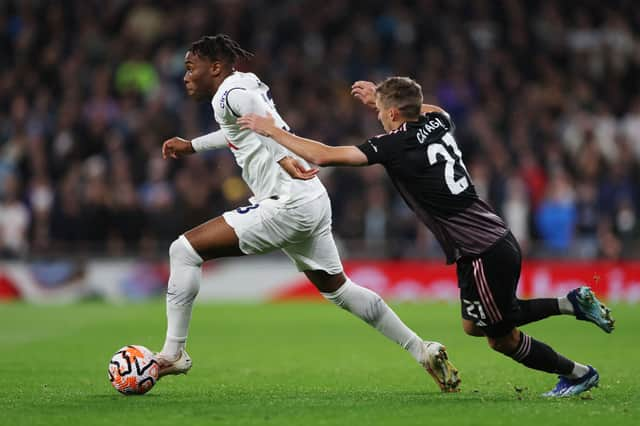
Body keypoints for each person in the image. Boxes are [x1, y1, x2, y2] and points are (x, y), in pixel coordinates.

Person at [237, 76, 615, 397]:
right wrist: (383, 99)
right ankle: (573, 330)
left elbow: (324, 155)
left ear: (395, 113)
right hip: (484, 240)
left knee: (500, 333)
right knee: (475, 326)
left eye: (382, 112)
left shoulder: (394, 144)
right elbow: (425, 108)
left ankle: (577, 349)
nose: (380, 118)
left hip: (482, 248)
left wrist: (271, 130)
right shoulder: (438, 121)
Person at [156, 36, 461, 392]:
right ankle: (422, 349)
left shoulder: (231, 93)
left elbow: (261, 117)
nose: (186, 76)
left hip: (286, 201)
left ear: (216, 68)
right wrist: (192, 145)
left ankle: (174, 352)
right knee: (340, 290)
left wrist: (283, 155)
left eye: (191, 68)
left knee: (184, 250)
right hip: (312, 200)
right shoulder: (243, 83)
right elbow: (239, 129)